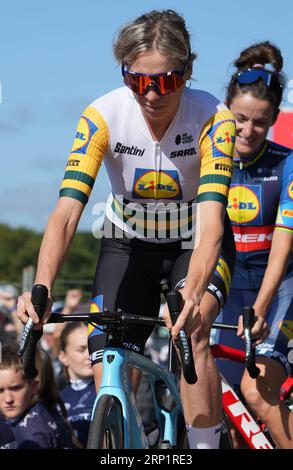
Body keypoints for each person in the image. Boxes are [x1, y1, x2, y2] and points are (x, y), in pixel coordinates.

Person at [17, 9, 236, 449]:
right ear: (124, 74)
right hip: (127, 244)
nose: (151, 94)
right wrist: (41, 288)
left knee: (190, 329)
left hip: (193, 243)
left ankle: (205, 443)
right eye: (137, 81)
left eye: (166, 81)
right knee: (107, 359)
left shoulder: (214, 117)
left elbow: (212, 220)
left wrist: (192, 293)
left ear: (188, 71)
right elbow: (65, 213)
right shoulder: (102, 115)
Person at [215, 41, 293, 448]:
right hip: (229, 286)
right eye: (240, 118)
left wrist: (261, 307)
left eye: (259, 123)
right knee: (218, 401)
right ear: (226, 110)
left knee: (256, 392)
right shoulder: (210, 160)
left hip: (278, 288)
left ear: (273, 120)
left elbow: (283, 242)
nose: (247, 130)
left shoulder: (287, 163)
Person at [0, 344, 76, 448]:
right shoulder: (41, 411)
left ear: (34, 386)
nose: (8, 399)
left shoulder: (33, 433)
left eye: (16, 388)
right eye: (0, 390)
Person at [59, 322, 96, 448]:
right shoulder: (55, 398)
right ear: (63, 357)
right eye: (81, 349)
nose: (89, 355)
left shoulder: (106, 391)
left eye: (92, 348)